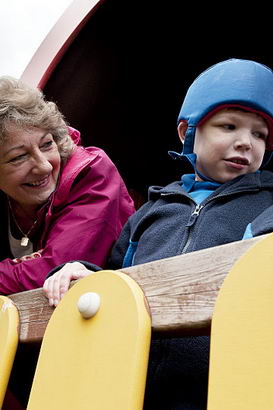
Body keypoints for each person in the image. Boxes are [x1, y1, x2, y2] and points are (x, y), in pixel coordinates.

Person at [44, 59, 273, 409]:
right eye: (229, 126)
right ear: (188, 132)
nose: (246, 142)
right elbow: (117, 276)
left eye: (259, 134)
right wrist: (84, 272)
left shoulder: (267, 207)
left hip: (220, 386)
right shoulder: (153, 210)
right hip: (133, 383)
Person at [0, 76, 135, 295]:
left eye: (46, 144)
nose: (43, 166)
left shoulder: (91, 173)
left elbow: (55, 268)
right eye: (18, 157)